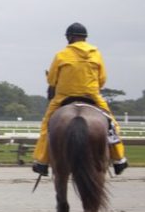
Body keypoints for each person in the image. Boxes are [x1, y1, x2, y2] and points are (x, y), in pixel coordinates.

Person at [32, 23, 128, 176]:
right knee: (112, 124)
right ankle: (118, 160)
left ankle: (42, 161)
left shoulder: (61, 55)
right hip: (92, 96)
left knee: (46, 125)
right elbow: (102, 79)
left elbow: (51, 80)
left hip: (63, 97)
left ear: (70, 37)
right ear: (85, 38)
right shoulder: (96, 54)